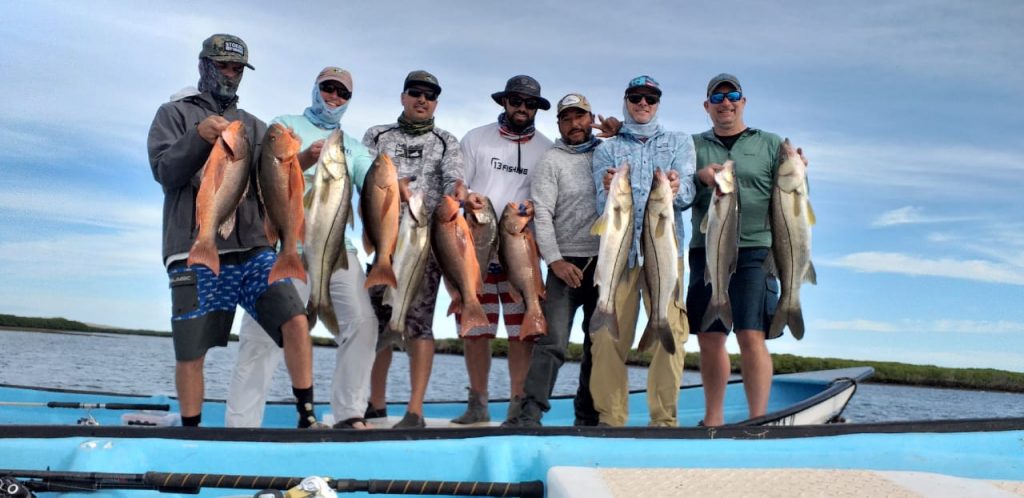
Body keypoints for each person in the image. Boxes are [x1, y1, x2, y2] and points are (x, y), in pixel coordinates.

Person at [147, 34, 318, 428]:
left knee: (295, 319)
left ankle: (307, 416)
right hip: (195, 245)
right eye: (222, 65)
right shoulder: (173, 114)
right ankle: (192, 432)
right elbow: (165, 172)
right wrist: (197, 138)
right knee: (191, 348)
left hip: (253, 248)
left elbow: (267, 182)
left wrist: (301, 161)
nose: (230, 74)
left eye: (237, 68)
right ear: (203, 64)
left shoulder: (254, 126)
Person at [224, 67, 377, 430]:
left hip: (337, 249)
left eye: (343, 93)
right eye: (328, 88)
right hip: (285, 245)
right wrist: (306, 157)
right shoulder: (285, 126)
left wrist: (395, 187)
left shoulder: (351, 146)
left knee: (363, 323)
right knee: (262, 332)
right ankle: (240, 425)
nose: (334, 96)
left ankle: (350, 413)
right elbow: (269, 172)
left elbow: (371, 180)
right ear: (315, 88)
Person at [688, 73, 797, 427]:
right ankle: (713, 420)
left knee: (751, 334)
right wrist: (698, 176)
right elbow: (674, 183)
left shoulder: (770, 143)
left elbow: (792, 192)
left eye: (732, 95)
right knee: (710, 336)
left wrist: (798, 168)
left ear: (743, 102)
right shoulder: (691, 145)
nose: (726, 103)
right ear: (707, 107)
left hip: (757, 250)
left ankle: (758, 420)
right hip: (708, 250)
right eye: (717, 98)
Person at [362, 70, 467, 429]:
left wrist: (459, 191)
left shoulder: (446, 140)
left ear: (436, 102)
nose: (422, 100)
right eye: (416, 93)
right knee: (376, 324)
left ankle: (415, 410)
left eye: (430, 95)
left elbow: (455, 178)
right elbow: (364, 176)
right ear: (403, 97)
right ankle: (374, 405)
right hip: (384, 242)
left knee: (419, 324)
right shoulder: (377, 135)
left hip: (423, 241)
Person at [590, 75, 695, 427]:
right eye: (636, 97)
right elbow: (599, 204)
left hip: (664, 254)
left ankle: (663, 421)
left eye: (651, 98)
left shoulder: (680, 142)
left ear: (658, 103)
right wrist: (607, 188)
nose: (643, 103)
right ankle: (611, 419)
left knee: (674, 336)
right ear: (626, 101)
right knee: (605, 337)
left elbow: (688, 195)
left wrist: (677, 188)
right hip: (618, 255)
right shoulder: (605, 149)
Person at [502, 93, 604, 428]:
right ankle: (529, 414)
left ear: (591, 119)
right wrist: (556, 260)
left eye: (580, 117)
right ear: (559, 123)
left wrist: (619, 131)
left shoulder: (608, 152)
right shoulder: (550, 161)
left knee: (597, 344)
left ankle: (586, 417)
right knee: (553, 342)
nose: (574, 124)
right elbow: (541, 215)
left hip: (605, 264)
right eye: (567, 118)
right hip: (565, 266)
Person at [457, 75, 554, 425]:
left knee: (522, 331)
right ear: (504, 102)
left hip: (520, 249)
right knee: (475, 328)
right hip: (477, 245)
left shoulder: (546, 148)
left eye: (530, 104)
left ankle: (517, 404)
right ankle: (477, 404)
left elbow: (548, 197)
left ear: (537, 109)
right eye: (516, 101)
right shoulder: (475, 139)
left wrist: (533, 207)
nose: (522, 108)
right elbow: (460, 187)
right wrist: (466, 197)